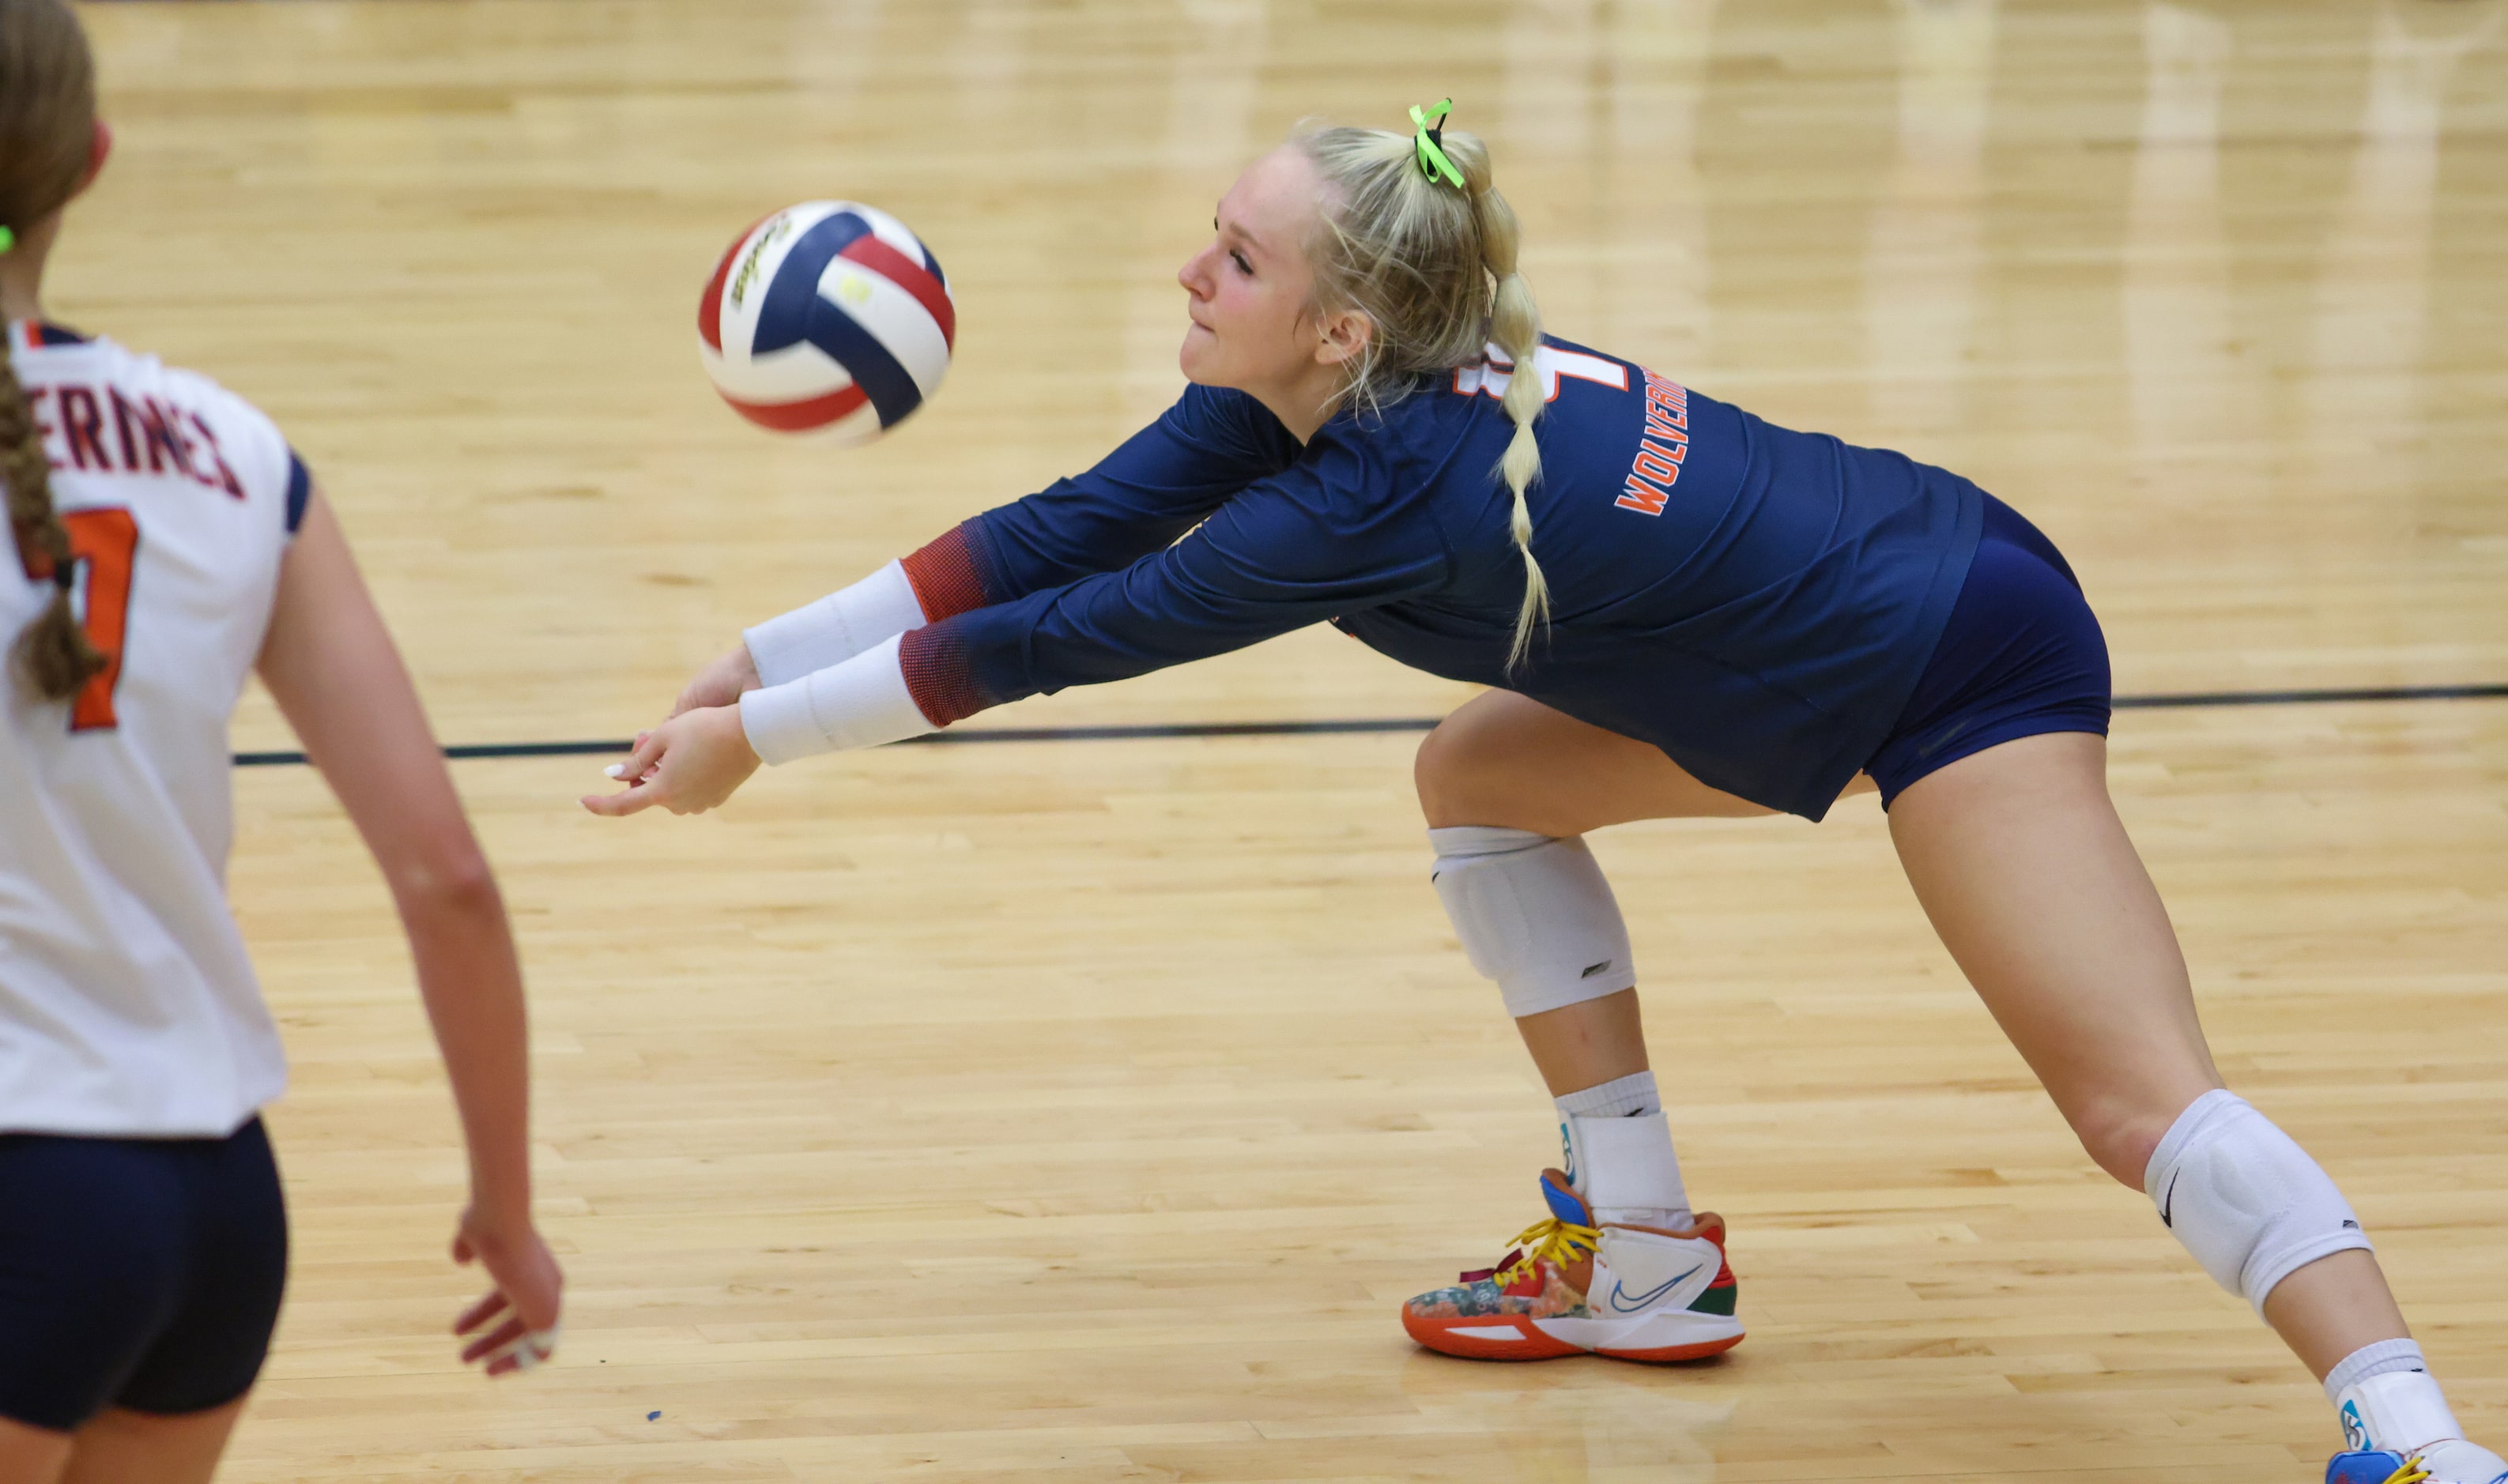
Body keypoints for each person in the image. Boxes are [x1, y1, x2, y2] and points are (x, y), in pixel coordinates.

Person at [585, 101, 2500, 1484]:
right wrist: (753, 659)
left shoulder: (1366, 495)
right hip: (1812, 631)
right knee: (1480, 773)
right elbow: (1053, 532)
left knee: (2127, 1099)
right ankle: (1647, 1258)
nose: (1192, 268)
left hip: (1957, 654)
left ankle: (2419, 1441)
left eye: (1235, 258)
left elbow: (1060, 638)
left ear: (1342, 325)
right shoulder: (1325, 388)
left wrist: (753, 750)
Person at [0, 3, 563, 1479]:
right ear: (92, 164)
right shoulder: (239, 453)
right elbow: (446, 874)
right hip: (215, 1215)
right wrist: (503, 1201)